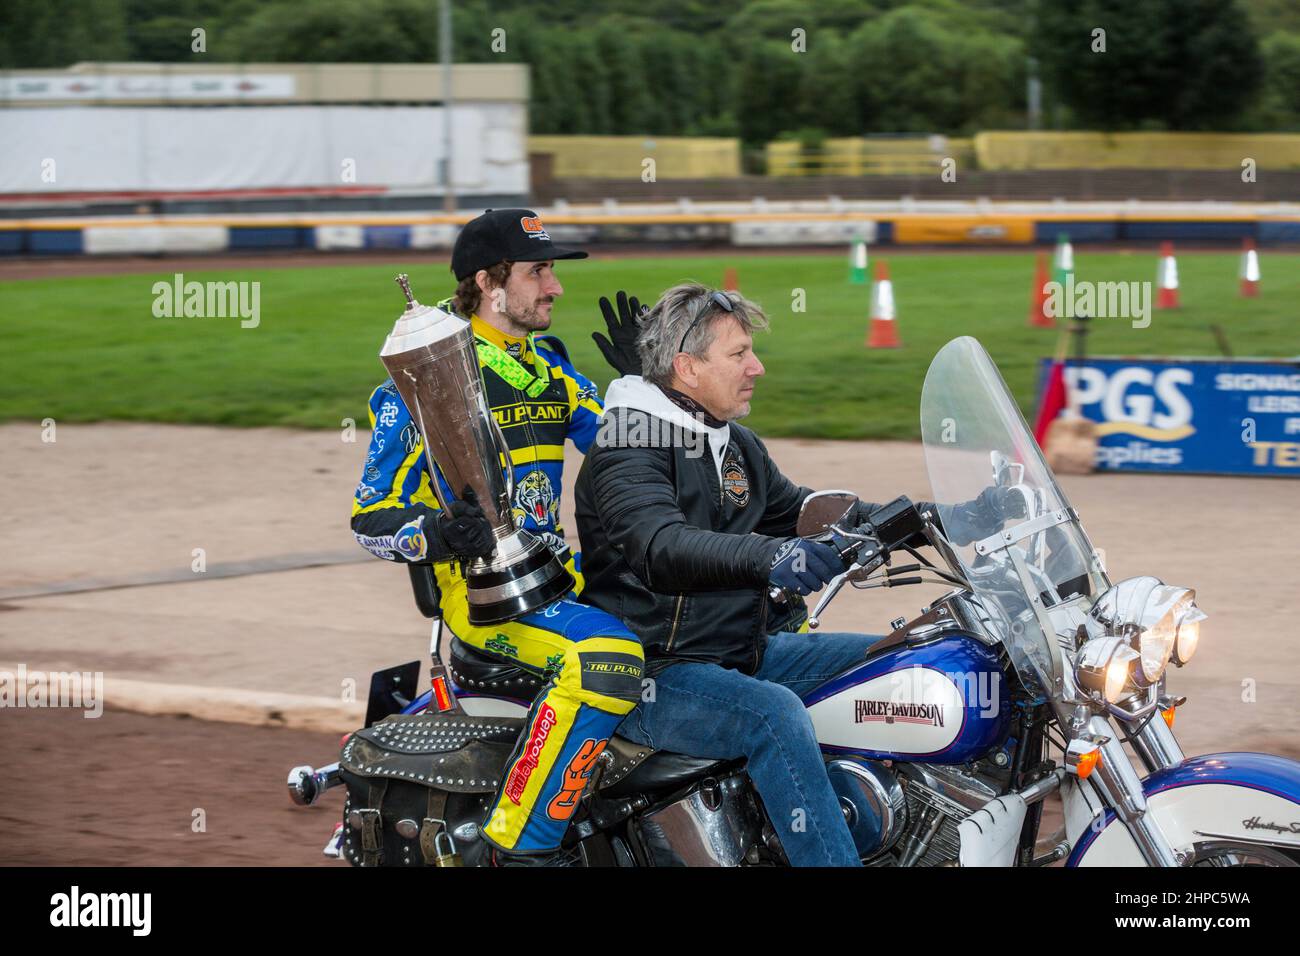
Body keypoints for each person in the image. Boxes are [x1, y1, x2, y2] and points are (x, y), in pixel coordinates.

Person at [575, 282, 1022, 866]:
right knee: (774, 715)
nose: (756, 367)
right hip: (654, 668)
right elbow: (659, 546)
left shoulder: (732, 443)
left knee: (917, 662)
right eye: (738, 354)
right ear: (687, 367)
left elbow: (806, 512)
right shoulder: (627, 445)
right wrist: (770, 557)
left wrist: (947, 518)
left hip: (742, 650)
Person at [350, 209, 643, 864]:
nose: (555, 288)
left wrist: (649, 389)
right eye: (540, 271)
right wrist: (438, 533)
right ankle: (517, 845)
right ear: (488, 281)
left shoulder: (551, 368)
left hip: (562, 587)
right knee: (607, 659)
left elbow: (625, 453)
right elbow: (370, 517)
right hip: (487, 608)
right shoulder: (422, 381)